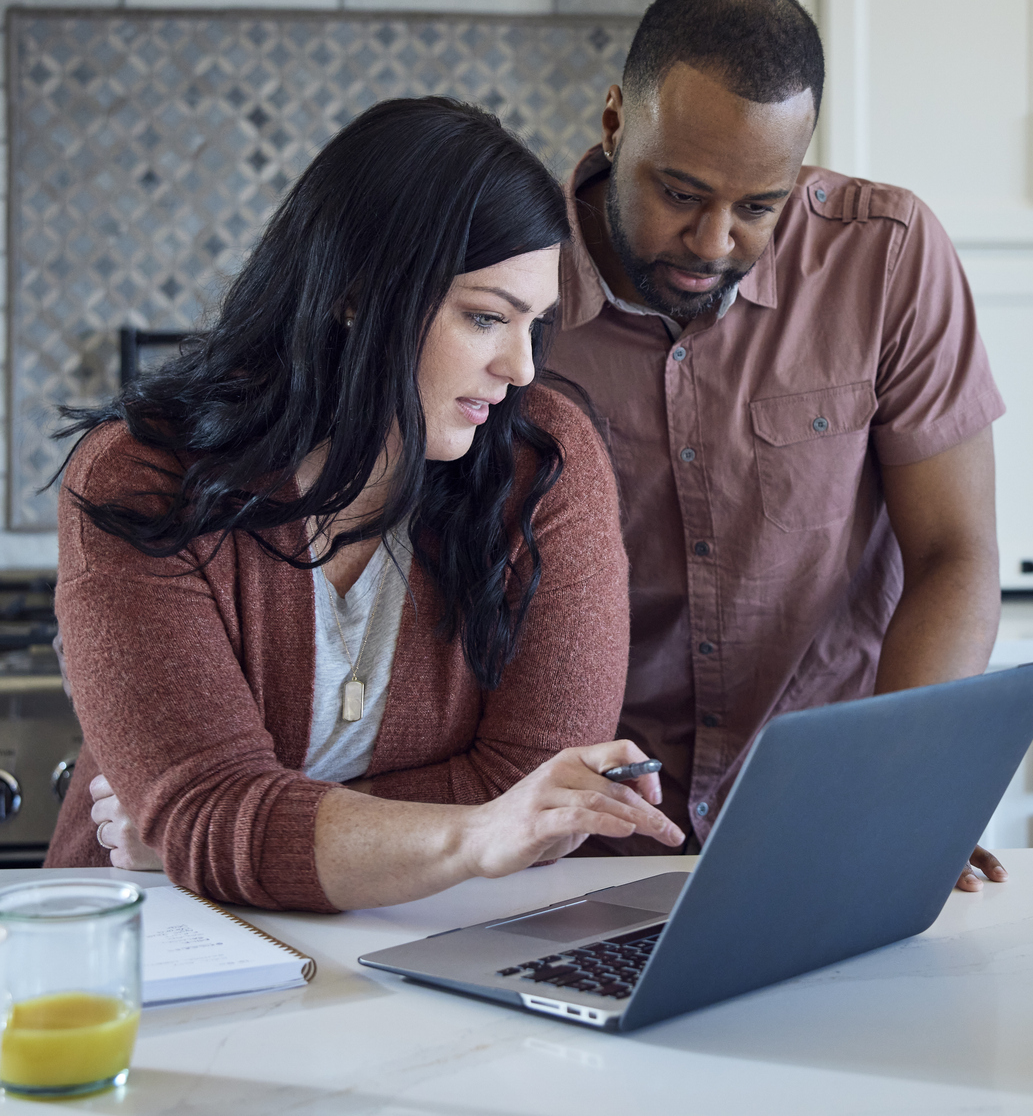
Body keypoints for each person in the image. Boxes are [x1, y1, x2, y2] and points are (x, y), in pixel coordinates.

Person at [46, 97, 681, 912]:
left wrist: (236, 828)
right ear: (354, 290)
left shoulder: (544, 462)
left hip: (432, 939)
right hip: (157, 948)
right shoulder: (139, 481)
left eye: (535, 324)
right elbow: (212, 812)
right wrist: (217, 823)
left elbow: (537, 791)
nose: (522, 367)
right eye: (486, 317)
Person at [549, 0, 1010, 887]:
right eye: (680, 192)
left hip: (823, 823)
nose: (715, 240)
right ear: (614, 123)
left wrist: (904, 790)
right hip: (579, 840)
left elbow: (957, 552)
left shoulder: (888, 256)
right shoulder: (513, 284)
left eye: (759, 206)